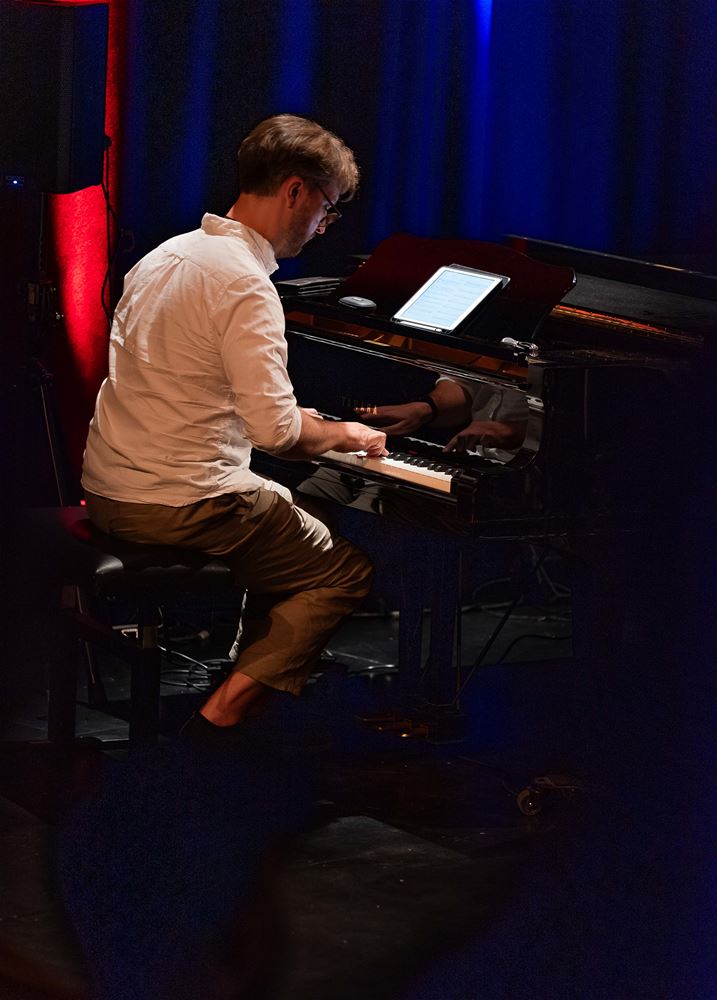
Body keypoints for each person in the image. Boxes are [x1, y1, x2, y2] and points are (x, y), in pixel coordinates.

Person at [81, 114, 387, 742]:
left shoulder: (166, 254)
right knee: (342, 570)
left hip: (110, 490)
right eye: (326, 208)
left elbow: (188, 390)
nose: (322, 226)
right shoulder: (245, 284)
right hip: (181, 505)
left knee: (292, 521)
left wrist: (299, 423)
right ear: (295, 191)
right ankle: (221, 718)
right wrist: (345, 434)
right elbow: (278, 436)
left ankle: (245, 683)